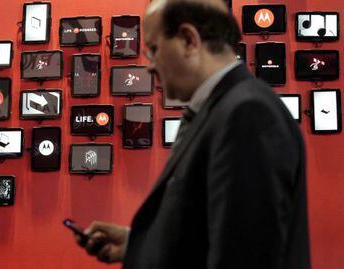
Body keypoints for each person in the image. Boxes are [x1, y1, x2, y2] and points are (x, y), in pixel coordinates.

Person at [73, 0, 311, 268]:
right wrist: (137, 244)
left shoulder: (246, 113)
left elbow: (244, 255)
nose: (149, 66)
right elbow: (209, 232)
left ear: (188, 40)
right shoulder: (220, 109)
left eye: (153, 50)